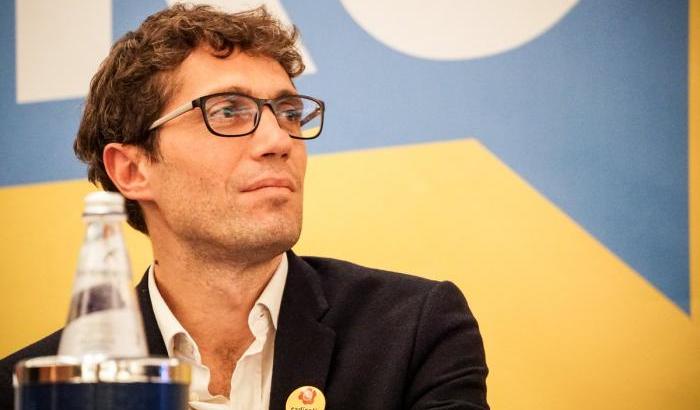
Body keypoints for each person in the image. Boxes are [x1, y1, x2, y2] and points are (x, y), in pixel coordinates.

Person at [0, 4, 488, 409]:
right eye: (228, 112)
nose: (279, 141)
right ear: (131, 170)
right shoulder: (35, 391)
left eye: (289, 113)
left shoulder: (414, 329)